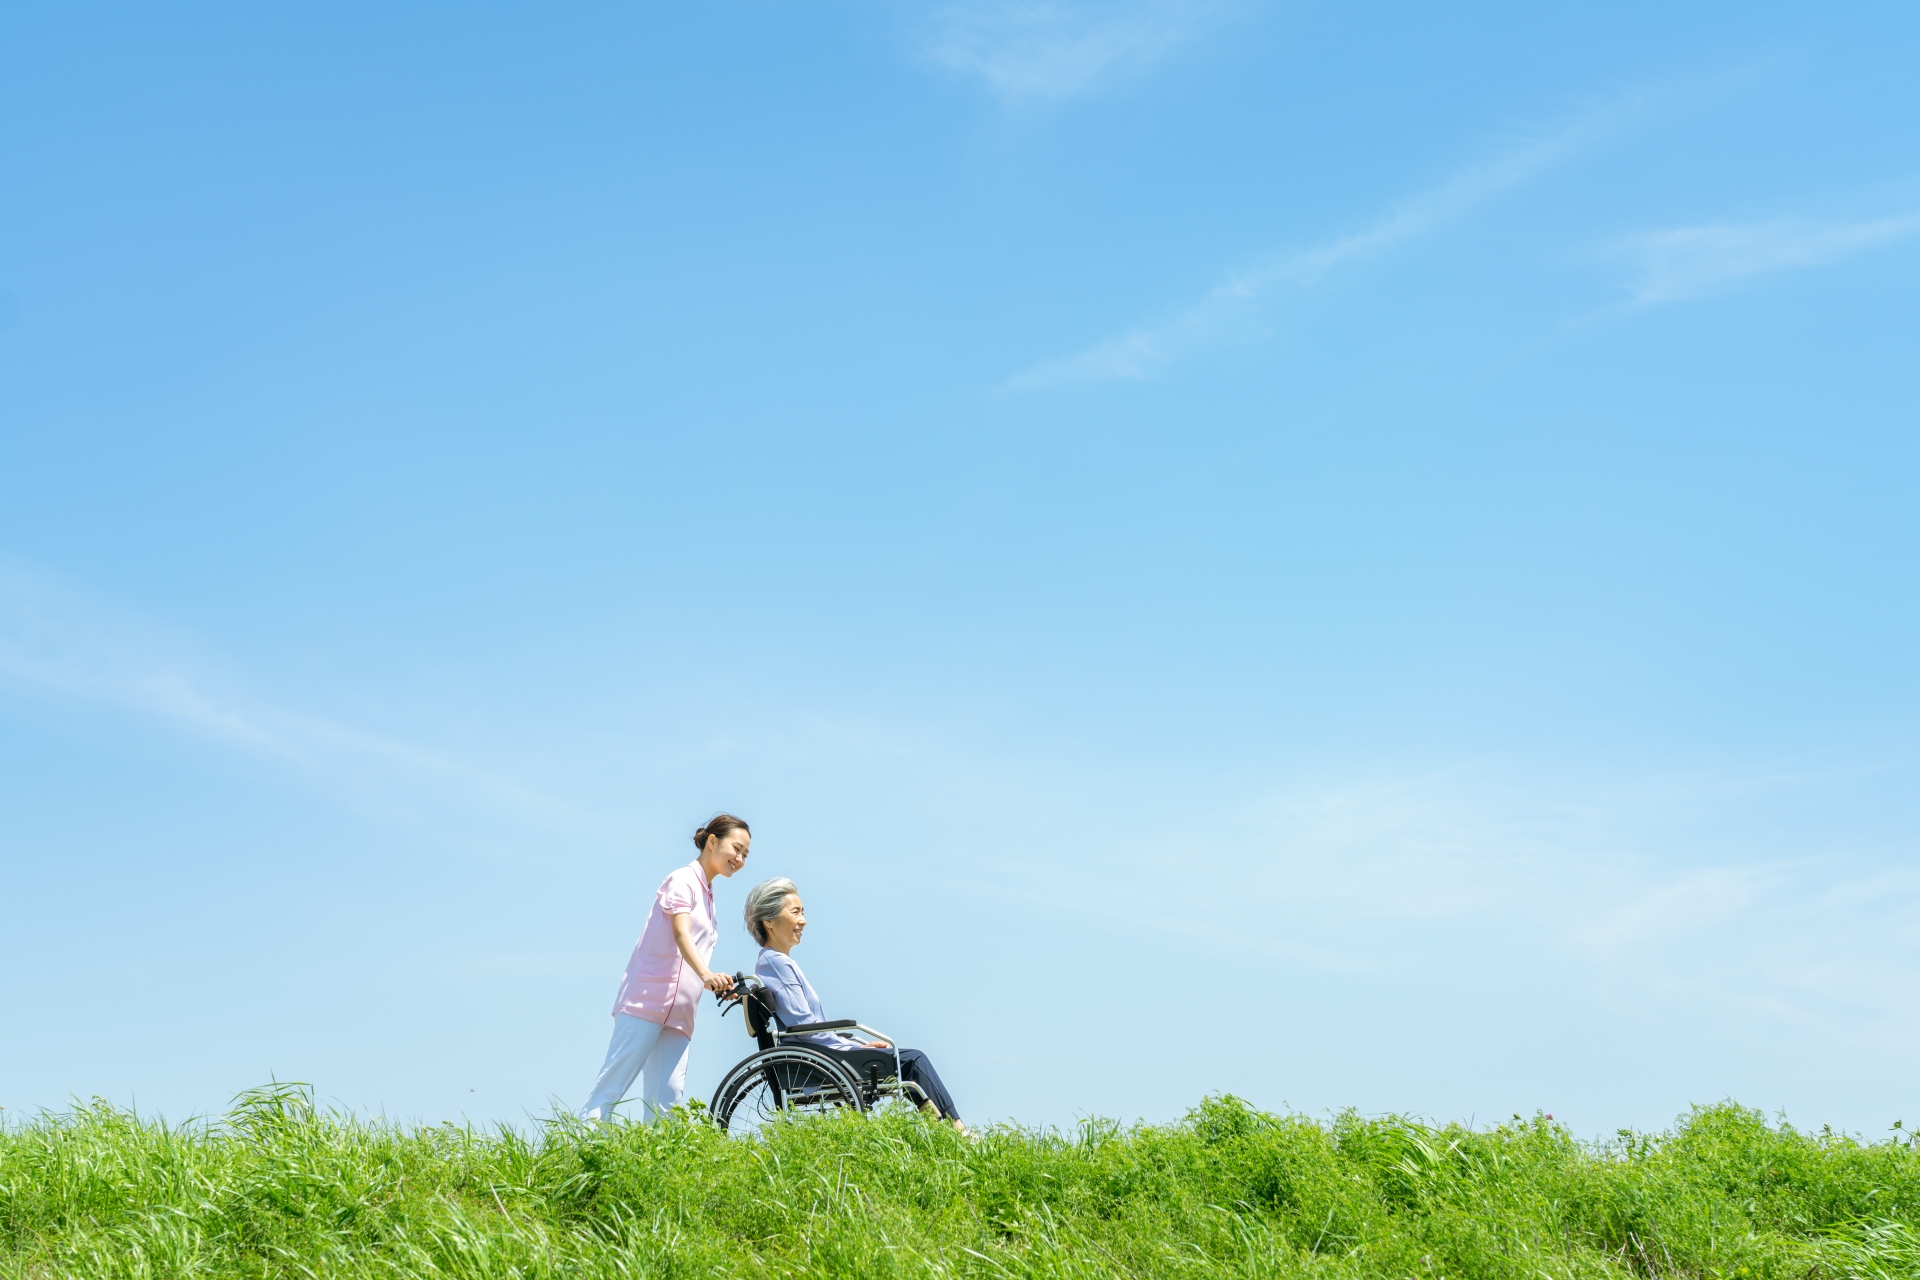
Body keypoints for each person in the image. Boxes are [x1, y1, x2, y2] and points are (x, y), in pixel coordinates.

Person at [742, 876, 967, 1132]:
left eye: (803, 912)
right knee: (913, 1061)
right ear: (769, 921)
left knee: (906, 1065)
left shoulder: (777, 961)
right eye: (795, 912)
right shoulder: (775, 962)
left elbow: (807, 1026)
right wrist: (852, 1045)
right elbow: (803, 1025)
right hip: (821, 1057)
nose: (803, 920)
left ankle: (946, 1131)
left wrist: (859, 1044)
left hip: (823, 1052)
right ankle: (957, 1130)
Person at [579, 815, 751, 1122]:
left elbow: (695, 951)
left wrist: (716, 983)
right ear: (712, 842)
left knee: (668, 1104)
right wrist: (707, 975)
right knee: (610, 1089)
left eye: (745, 855)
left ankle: (656, 1169)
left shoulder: (709, 896)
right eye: (736, 849)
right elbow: (681, 933)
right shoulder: (683, 879)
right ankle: (577, 1157)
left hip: (681, 1013)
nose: (739, 859)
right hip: (647, 1001)